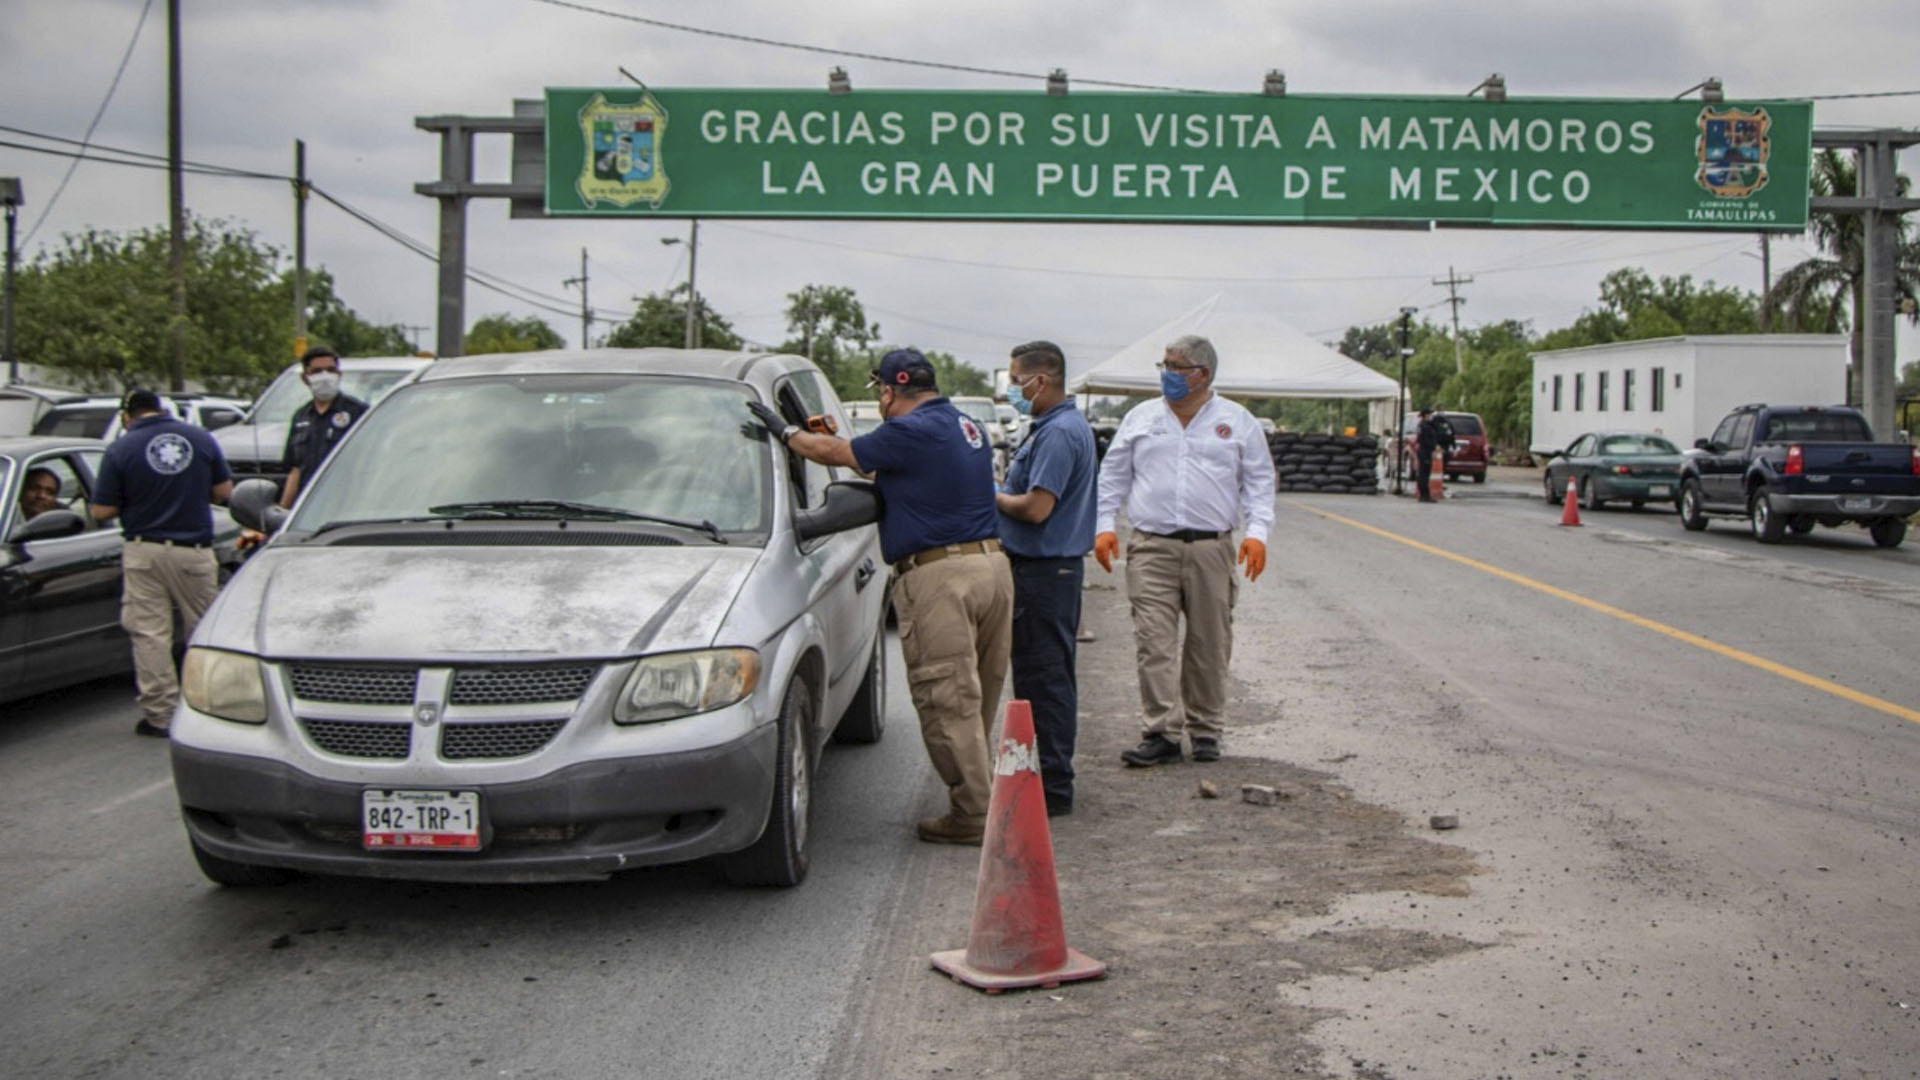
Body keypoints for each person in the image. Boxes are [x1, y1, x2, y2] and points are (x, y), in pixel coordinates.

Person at [745, 348, 1012, 845]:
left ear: (889, 392)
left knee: (946, 698)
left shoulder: (908, 430)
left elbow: (834, 454)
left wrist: (787, 432)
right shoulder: (964, 425)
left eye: (881, 392)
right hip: (992, 568)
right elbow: (894, 471)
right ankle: (981, 795)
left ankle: (975, 816)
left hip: (942, 576)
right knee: (975, 695)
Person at [1092, 334, 1274, 767]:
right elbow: (1112, 476)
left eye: (1176, 367)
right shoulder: (1141, 418)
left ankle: (1206, 729)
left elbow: (1260, 482)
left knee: (1209, 643)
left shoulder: (1237, 421)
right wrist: (1104, 527)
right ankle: (1161, 732)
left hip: (1211, 549)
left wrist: (1258, 534)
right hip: (1152, 547)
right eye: (1165, 365)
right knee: (1153, 642)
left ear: (1202, 374)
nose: (1167, 374)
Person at [90, 389, 233, 737]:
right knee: (204, 631)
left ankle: (161, 715)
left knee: (150, 634)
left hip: (145, 551)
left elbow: (101, 511)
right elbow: (224, 493)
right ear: (160, 409)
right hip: (194, 550)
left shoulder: (120, 448)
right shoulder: (200, 438)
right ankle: (214, 709)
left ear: (127, 416)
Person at [994, 340, 1097, 817]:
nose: (1012, 390)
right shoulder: (1054, 427)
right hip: (1047, 572)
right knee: (1044, 678)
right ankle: (1047, 778)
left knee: (1045, 681)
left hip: (1045, 573)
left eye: (1017, 381)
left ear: (1041, 380)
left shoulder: (1058, 434)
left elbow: (1037, 508)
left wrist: (990, 495)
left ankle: (1053, 787)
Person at [278, 347, 369, 508]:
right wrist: (283, 510)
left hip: (345, 504)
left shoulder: (358, 412)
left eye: (331, 370)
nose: (325, 376)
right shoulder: (301, 417)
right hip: (307, 507)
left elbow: (368, 464)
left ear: (339, 374)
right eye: (317, 371)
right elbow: (295, 471)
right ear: (305, 378)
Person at [1414, 408, 1441, 502]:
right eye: (1430, 414)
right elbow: (1425, 440)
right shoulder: (1424, 426)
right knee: (1424, 474)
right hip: (1425, 451)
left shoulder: (1426, 425)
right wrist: (1434, 447)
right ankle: (1424, 495)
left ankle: (1424, 495)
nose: (1431, 416)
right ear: (1426, 415)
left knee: (1424, 473)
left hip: (1426, 451)